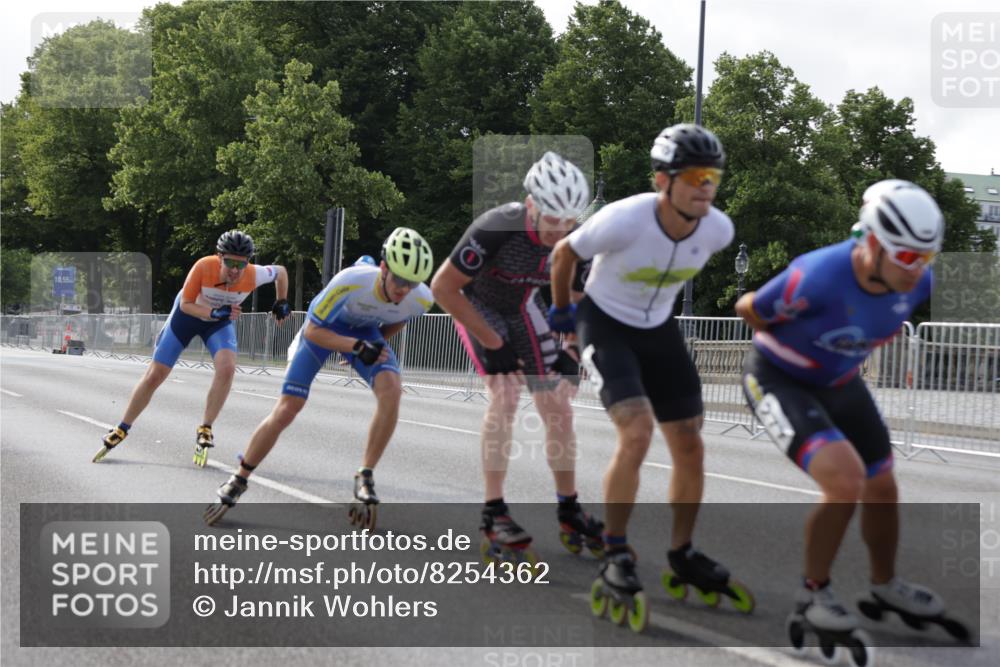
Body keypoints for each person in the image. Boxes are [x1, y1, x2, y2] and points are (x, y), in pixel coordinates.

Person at [736, 180, 966, 652]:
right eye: (907, 257)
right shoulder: (816, 275)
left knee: (882, 483)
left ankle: (884, 584)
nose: (918, 270)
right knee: (845, 481)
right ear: (873, 243)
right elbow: (751, 310)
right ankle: (812, 593)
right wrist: (801, 341)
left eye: (928, 257)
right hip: (779, 377)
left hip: (839, 383)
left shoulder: (919, 281)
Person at [549, 124, 753, 630]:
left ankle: (681, 552)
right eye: (696, 177)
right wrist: (561, 317)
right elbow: (563, 255)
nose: (707, 187)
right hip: (605, 323)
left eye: (714, 178)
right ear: (663, 180)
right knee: (637, 432)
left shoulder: (718, 230)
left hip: (659, 329)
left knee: (689, 441)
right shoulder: (625, 219)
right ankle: (615, 551)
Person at [431, 151, 604, 562]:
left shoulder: (576, 243)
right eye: (551, 218)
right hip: (477, 306)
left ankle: (569, 508)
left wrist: (571, 352)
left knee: (558, 405)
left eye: (569, 219)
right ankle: (494, 513)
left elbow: (578, 302)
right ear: (530, 205)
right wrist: (494, 344)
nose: (560, 229)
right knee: (506, 395)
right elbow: (443, 288)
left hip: (524, 306)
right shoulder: (497, 227)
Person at [204, 227, 434, 526]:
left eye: (412, 283)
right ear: (384, 268)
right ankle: (239, 478)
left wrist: (373, 345)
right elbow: (313, 331)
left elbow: (398, 319)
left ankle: (364, 476)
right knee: (288, 408)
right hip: (321, 331)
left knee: (392, 389)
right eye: (400, 280)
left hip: (364, 332)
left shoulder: (421, 298)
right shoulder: (351, 282)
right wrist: (352, 346)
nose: (405, 289)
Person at [94, 230, 289, 466]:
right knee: (156, 375)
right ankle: (122, 427)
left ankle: (205, 428)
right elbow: (186, 305)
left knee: (227, 369)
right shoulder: (203, 267)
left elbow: (281, 272)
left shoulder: (254, 274)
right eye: (229, 263)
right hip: (187, 318)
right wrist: (215, 312)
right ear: (219, 258)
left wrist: (281, 301)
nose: (235, 270)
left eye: (241, 264)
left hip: (218, 323)